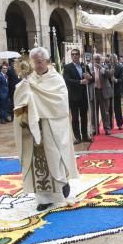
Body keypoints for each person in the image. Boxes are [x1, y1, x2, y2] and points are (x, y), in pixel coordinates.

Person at [13, 47, 79, 210]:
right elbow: (21, 100)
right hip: (35, 126)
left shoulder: (56, 79)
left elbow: (61, 104)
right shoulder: (30, 79)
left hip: (52, 126)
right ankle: (43, 199)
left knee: (55, 157)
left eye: (40, 62)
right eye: (34, 62)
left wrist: (38, 101)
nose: (37, 66)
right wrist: (24, 88)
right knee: (38, 162)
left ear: (47, 62)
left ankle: (62, 184)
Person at [62, 48, 91, 143]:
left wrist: (89, 77)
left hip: (83, 95)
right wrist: (80, 82)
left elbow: (91, 78)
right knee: (75, 118)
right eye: (73, 54)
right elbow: (67, 81)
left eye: (76, 54)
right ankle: (77, 137)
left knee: (84, 117)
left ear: (79, 55)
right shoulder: (67, 67)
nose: (74, 56)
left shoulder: (84, 66)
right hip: (73, 96)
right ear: (71, 56)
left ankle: (85, 135)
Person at [110, 55, 123, 130]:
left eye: (113, 59)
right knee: (109, 108)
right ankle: (110, 124)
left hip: (116, 90)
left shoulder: (120, 67)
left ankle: (120, 124)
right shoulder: (107, 67)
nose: (112, 60)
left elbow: (122, 78)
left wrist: (116, 80)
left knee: (117, 108)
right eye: (111, 59)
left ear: (116, 59)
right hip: (108, 91)